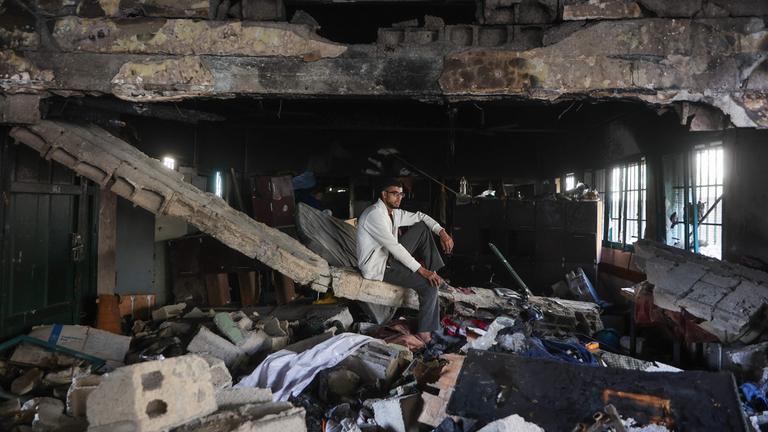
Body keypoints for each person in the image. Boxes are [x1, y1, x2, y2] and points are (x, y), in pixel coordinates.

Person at [356, 178, 455, 343]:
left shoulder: (393, 213)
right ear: (383, 194)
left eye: (401, 194)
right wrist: (422, 271)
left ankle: (435, 272)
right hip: (379, 266)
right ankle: (425, 332)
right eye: (395, 194)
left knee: (423, 228)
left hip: (389, 258)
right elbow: (395, 248)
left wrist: (442, 232)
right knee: (428, 285)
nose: (399, 198)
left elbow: (421, 216)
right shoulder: (375, 215)